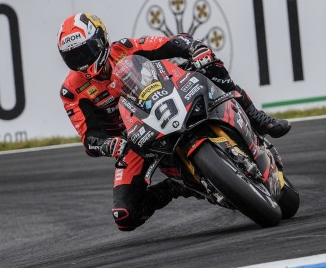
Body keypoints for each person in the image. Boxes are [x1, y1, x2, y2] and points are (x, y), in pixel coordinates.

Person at [57, 13, 290, 231]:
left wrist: (194, 48)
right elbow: (89, 137)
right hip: (134, 139)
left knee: (207, 64)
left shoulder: (125, 48)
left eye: (85, 52)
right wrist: (109, 145)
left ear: (100, 41)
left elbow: (169, 42)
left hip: (168, 97)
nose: (82, 62)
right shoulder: (72, 91)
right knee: (125, 216)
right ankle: (179, 186)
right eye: (73, 58)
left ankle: (255, 117)